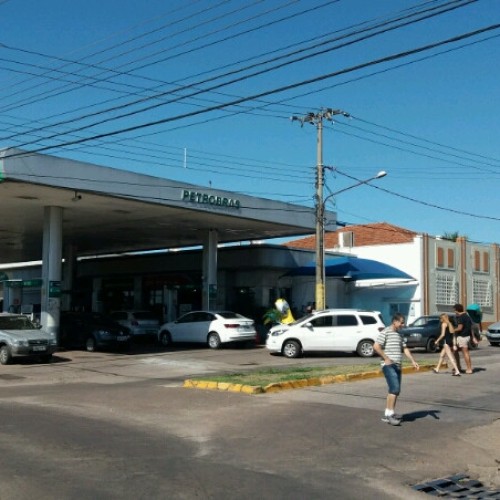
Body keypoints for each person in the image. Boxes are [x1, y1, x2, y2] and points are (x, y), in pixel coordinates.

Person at [373, 313, 420, 426]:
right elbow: (376, 346)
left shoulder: (399, 334)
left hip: (398, 365)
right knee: (394, 388)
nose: (403, 325)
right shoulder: (386, 331)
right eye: (401, 322)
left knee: (395, 390)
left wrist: (413, 361)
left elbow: (405, 349)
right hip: (388, 365)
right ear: (395, 322)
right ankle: (390, 415)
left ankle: (388, 413)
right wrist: (386, 358)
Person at [453, 303, 476, 374]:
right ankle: (458, 366)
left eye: (454, 310)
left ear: (457, 310)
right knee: (455, 351)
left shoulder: (461, 317)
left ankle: (469, 368)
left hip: (462, 337)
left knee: (465, 352)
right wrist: (473, 337)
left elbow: (460, 328)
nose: (454, 312)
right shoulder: (467, 316)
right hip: (467, 336)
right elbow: (471, 328)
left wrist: (452, 330)